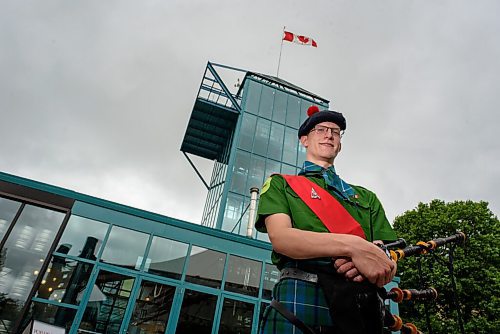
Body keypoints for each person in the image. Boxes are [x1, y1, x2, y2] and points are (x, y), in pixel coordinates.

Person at [256, 105, 398, 334]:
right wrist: (354, 246)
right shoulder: (280, 184)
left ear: (339, 144)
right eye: (321, 129)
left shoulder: (367, 197)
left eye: (335, 131)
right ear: (304, 140)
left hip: (360, 304)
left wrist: (381, 264)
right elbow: (282, 238)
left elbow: (384, 252)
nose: (329, 135)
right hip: (300, 296)